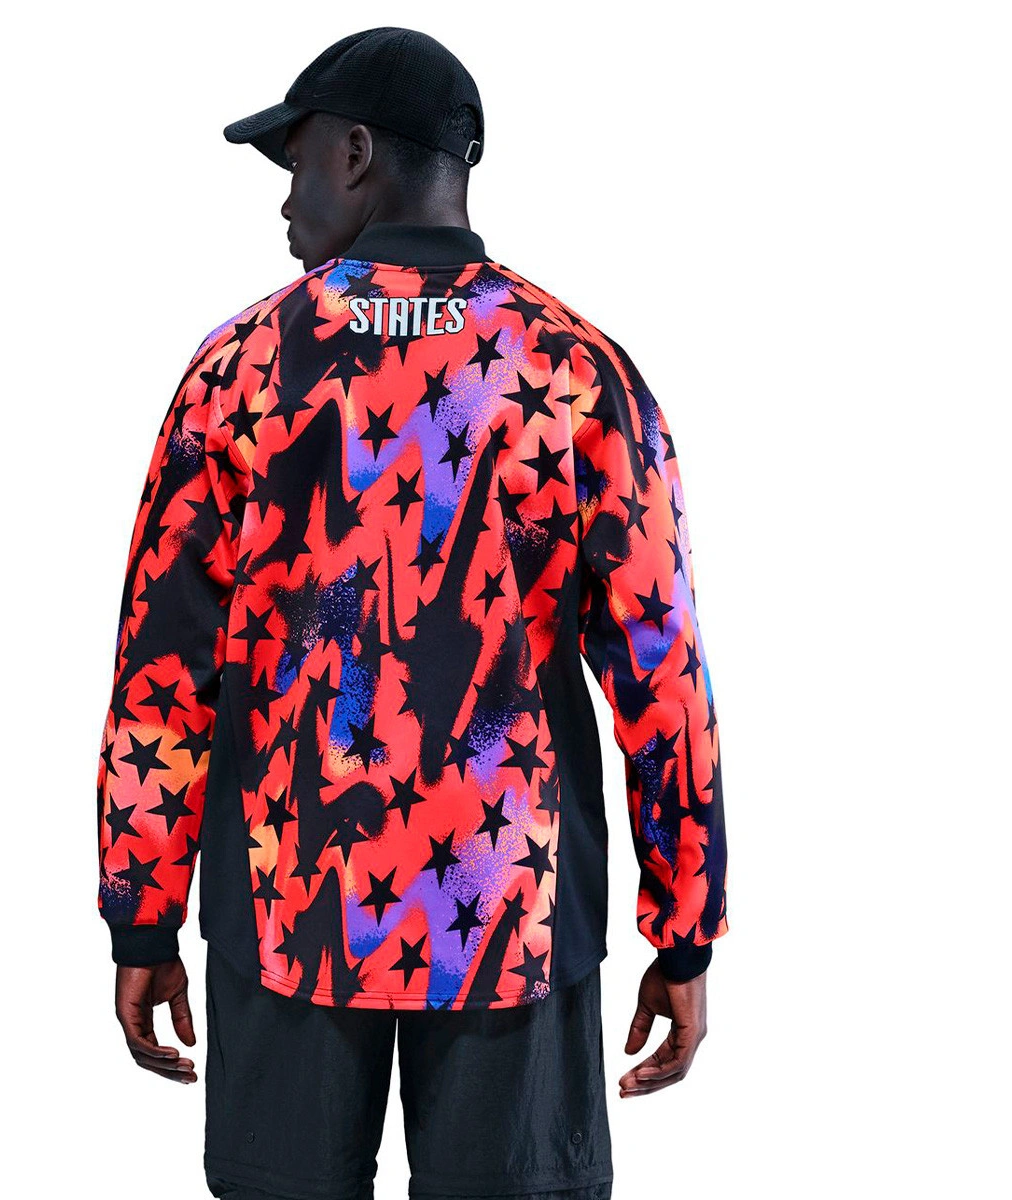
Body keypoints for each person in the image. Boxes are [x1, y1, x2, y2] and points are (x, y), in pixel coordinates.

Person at [95, 25, 729, 1200]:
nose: (283, 201)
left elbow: (161, 673)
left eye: (293, 163)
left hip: (284, 910)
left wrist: (142, 911)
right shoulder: (575, 372)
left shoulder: (240, 370)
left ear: (354, 153)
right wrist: (683, 925)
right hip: (512, 912)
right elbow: (663, 671)